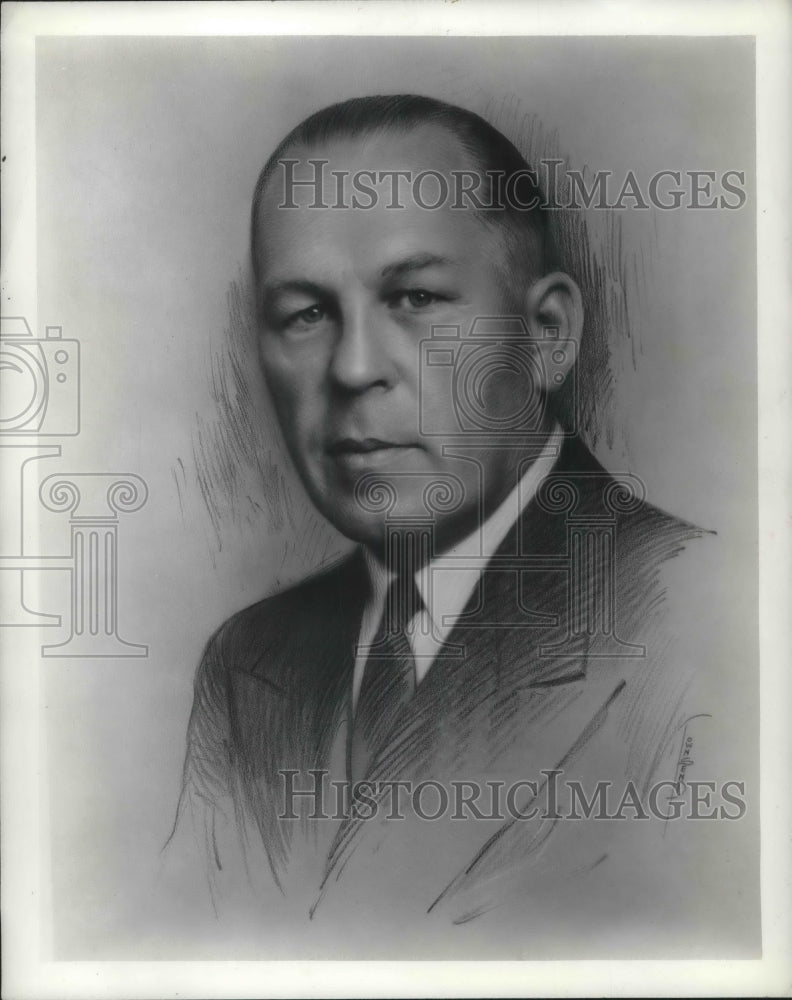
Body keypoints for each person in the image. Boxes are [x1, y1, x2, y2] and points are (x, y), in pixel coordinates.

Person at [169, 95, 718, 954]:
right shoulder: (246, 668)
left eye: (416, 298)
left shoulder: (712, 632)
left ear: (546, 334)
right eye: (305, 315)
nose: (353, 368)